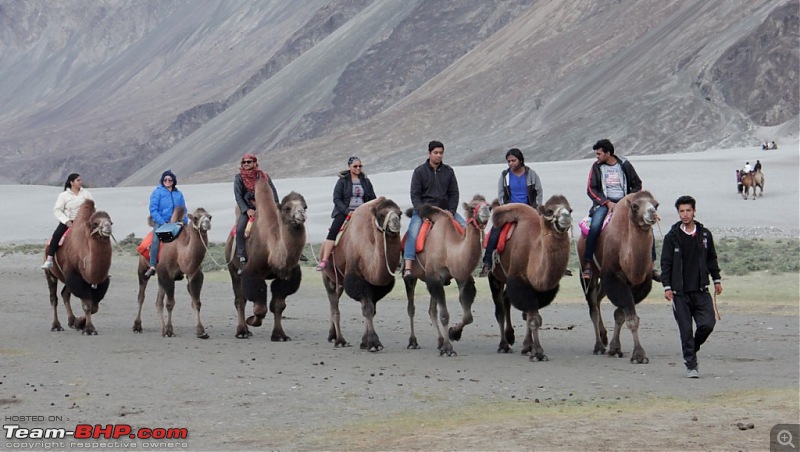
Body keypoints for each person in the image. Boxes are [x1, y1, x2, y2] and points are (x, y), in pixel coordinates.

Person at [660, 195, 722, 378]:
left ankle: (692, 348)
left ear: (694, 211)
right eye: (681, 211)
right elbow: (666, 263)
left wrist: (716, 279)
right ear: (678, 213)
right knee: (686, 330)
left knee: (708, 324)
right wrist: (667, 287)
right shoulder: (672, 237)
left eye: (688, 210)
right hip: (680, 293)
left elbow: (711, 258)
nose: (685, 214)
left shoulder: (704, 235)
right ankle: (691, 365)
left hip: (701, 289)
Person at [582, 139, 659, 281]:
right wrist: (606, 202)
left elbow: (637, 184)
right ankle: (588, 264)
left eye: (599, 153)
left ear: (608, 153)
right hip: (604, 205)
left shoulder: (625, 165)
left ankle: (652, 266)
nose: (597, 156)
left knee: (647, 226)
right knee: (595, 226)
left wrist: (629, 200)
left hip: (626, 205)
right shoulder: (596, 167)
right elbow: (591, 189)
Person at [403, 140, 465, 281]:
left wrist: (451, 210)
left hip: (445, 210)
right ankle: (408, 267)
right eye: (435, 153)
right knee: (413, 232)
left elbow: (454, 193)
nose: (438, 156)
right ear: (429, 153)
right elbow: (415, 195)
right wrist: (422, 212)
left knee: (465, 227)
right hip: (425, 210)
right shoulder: (419, 172)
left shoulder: (449, 171)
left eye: (441, 153)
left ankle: (463, 265)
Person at [479, 148, 543, 277]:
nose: (511, 163)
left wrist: (536, 209)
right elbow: (501, 195)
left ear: (520, 160)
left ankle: (550, 262)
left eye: (513, 160)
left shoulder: (531, 174)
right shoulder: (505, 176)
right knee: (495, 231)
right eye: (508, 161)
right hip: (510, 210)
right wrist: (505, 208)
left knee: (547, 232)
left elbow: (539, 192)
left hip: (530, 211)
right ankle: (487, 263)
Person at [316, 156, 377, 271]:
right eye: (355, 166)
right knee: (334, 231)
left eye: (360, 166)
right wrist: (347, 211)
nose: (358, 168)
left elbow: (372, 197)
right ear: (349, 167)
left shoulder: (365, 181)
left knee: (378, 230)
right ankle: (324, 260)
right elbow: (337, 199)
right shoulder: (342, 181)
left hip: (363, 213)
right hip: (345, 212)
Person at [233, 153, 279, 272]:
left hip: (266, 208)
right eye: (244, 162)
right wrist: (247, 209)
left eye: (249, 162)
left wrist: (276, 206)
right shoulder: (239, 178)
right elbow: (238, 196)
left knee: (285, 225)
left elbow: (273, 192)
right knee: (240, 229)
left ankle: (292, 253)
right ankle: (242, 257)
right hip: (248, 209)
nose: (246, 164)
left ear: (254, 163)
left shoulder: (264, 176)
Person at [41, 173, 94, 269]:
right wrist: (66, 221)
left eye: (80, 180)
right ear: (71, 182)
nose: (80, 182)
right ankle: (49, 259)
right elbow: (57, 210)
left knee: (97, 237)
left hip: (84, 222)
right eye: (78, 180)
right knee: (56, 236)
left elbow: (93, 207)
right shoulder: (63, 195)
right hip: (69, 222)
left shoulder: (86, 194)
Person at [144, 170, 188, 278]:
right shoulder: (157, 192)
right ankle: (153, 266)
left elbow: (183, 209)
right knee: (155, 239)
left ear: (173, 181)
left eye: (170, 179)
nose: (167, 181)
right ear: (162, 181)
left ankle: (191, 264)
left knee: (190, 237)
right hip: (162, 222)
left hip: (177, 222)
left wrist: (184, 220)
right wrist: (162, 222)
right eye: (165, 179)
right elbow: (153, 210)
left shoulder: (178, 194)